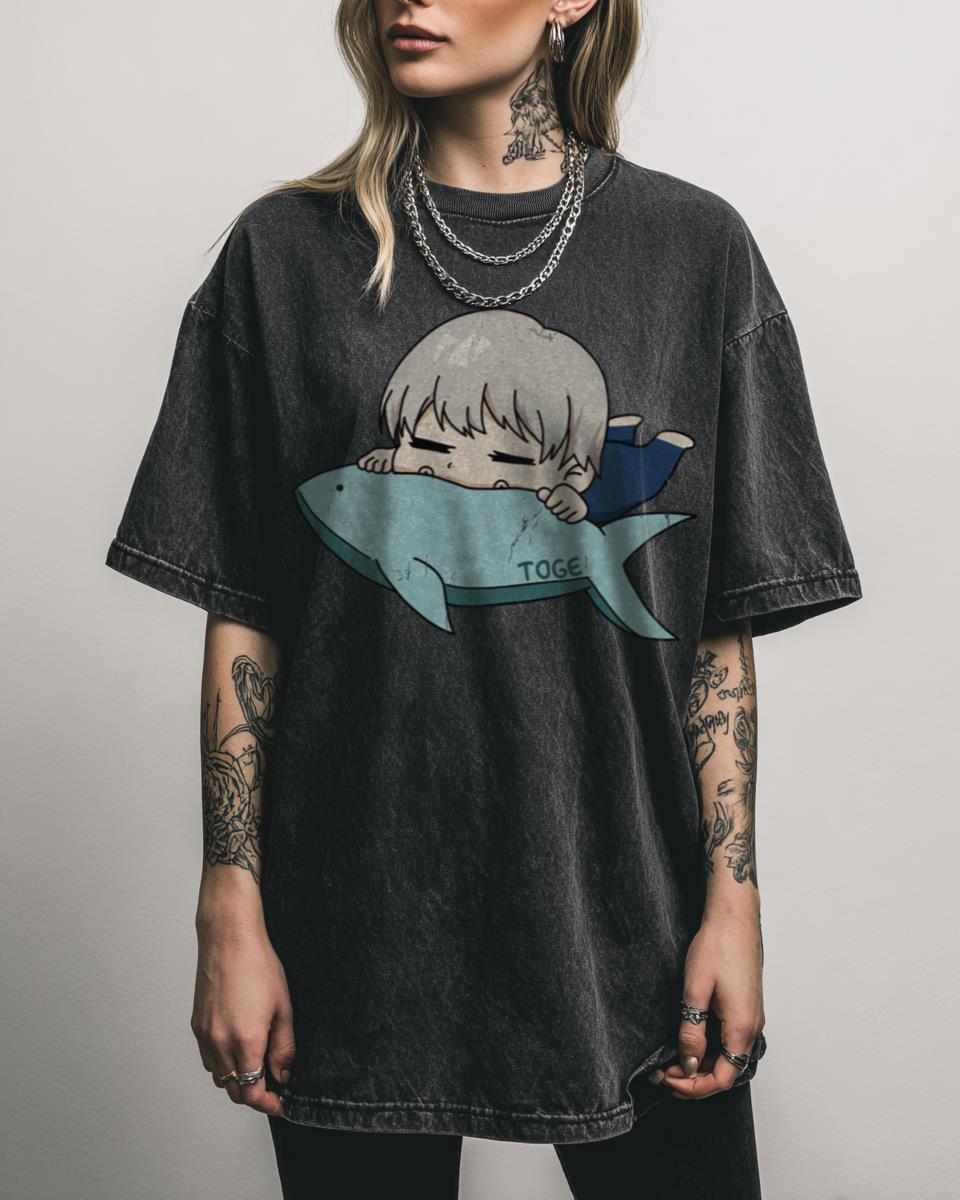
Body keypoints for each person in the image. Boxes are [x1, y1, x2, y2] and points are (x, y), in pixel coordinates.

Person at [104, 0, 864, 1196]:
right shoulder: (283, 254)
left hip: (630, 916)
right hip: (351, 926)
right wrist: (229, 906)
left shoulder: (695, 251)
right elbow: (245, 610)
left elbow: (715, 634)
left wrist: (734, 903)